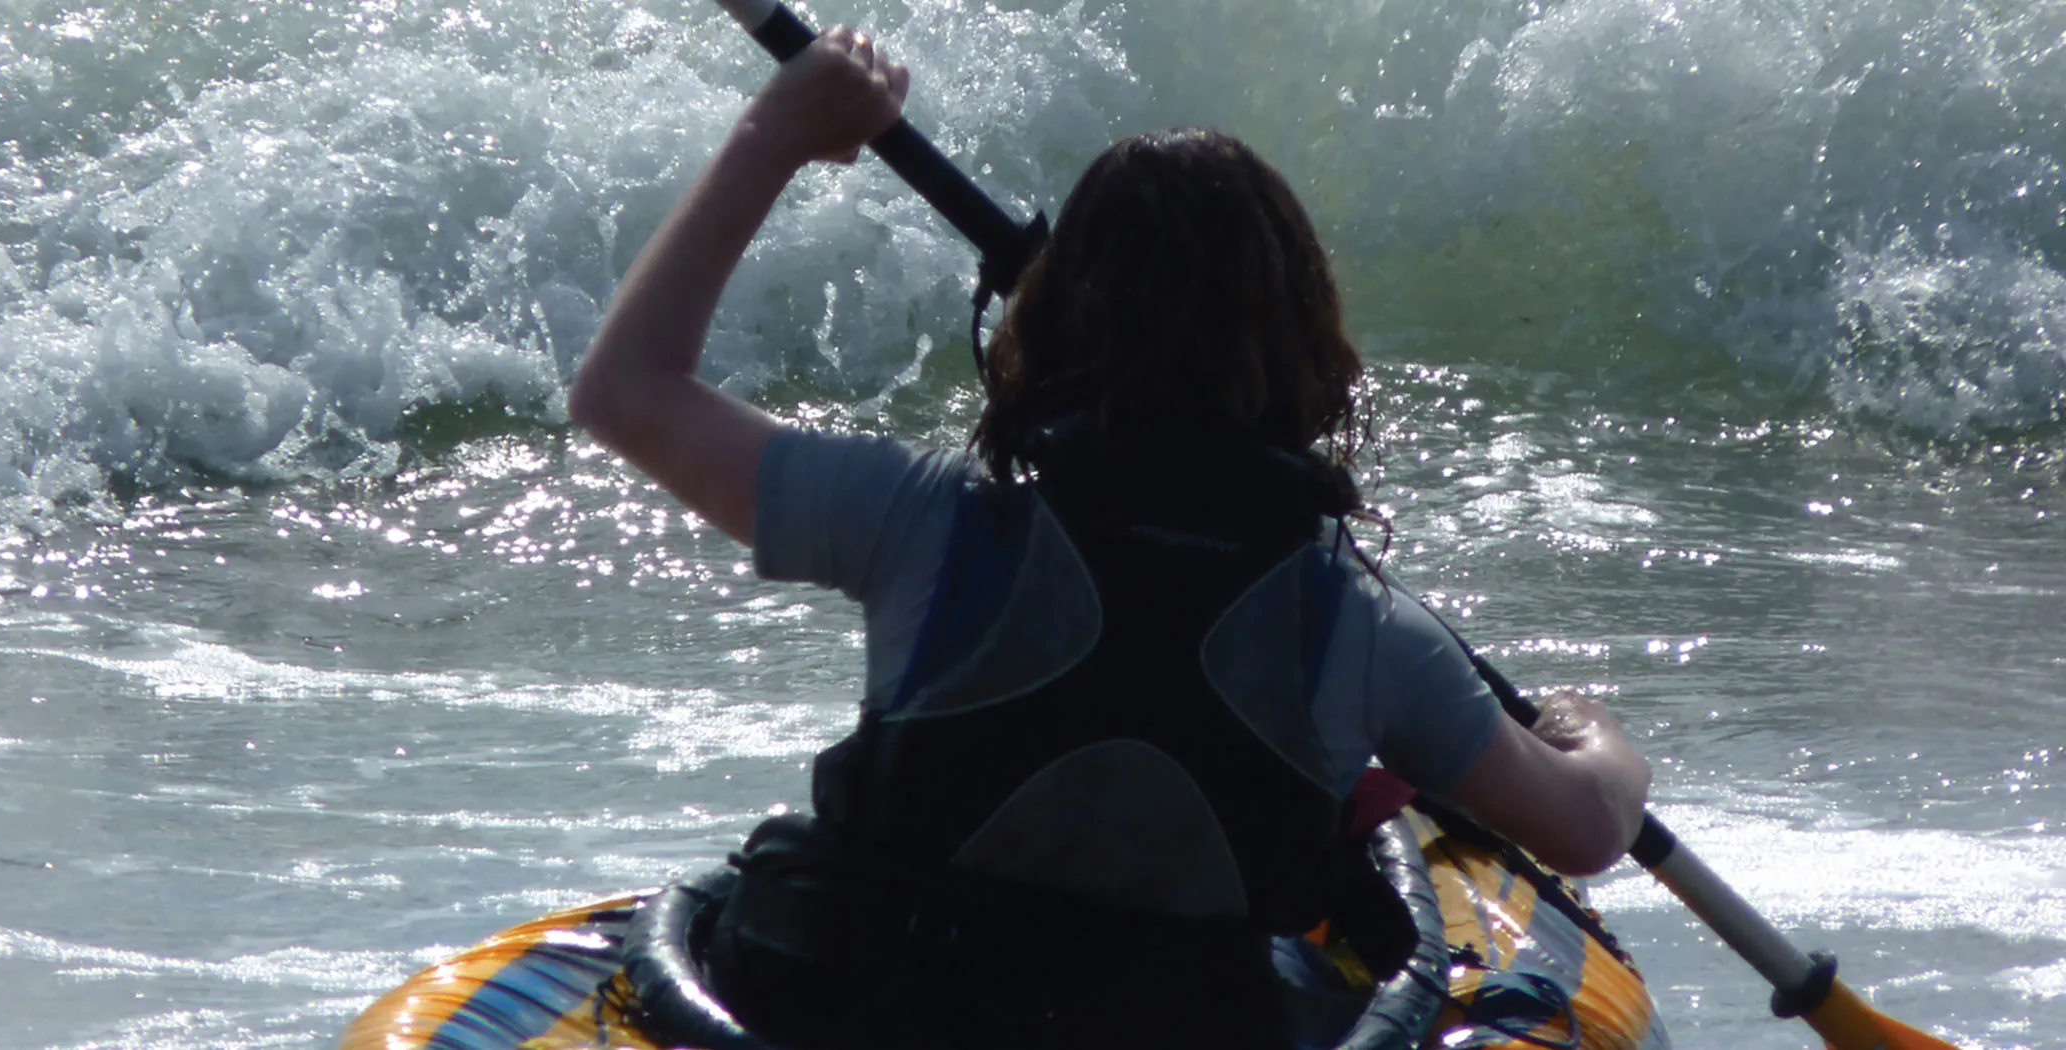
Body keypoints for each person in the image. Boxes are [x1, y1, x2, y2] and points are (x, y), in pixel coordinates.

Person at [568, 25, 1652, 1050]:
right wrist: (1590, 739)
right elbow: (1584, 830)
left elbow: (625, 392)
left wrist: (776, 133)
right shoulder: (1360, 629)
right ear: (1307, 345)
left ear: (1045, 321)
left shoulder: (921, 519)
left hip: (853, 1010)